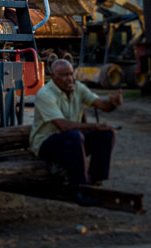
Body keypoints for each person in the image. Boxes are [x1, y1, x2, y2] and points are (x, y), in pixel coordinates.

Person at [30, 59, 124, 203]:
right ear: (54, 78)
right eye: (64, 75)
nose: (69, 78)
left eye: (71, 74)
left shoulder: (77, 87)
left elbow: (101, 105)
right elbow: (63, 126)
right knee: (74, 136)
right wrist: (94, 126)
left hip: (71, 142)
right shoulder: (45, 94)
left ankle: (95, 181)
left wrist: (112, 103)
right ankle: (79, 188)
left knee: (106, 133)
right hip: (46, 144)